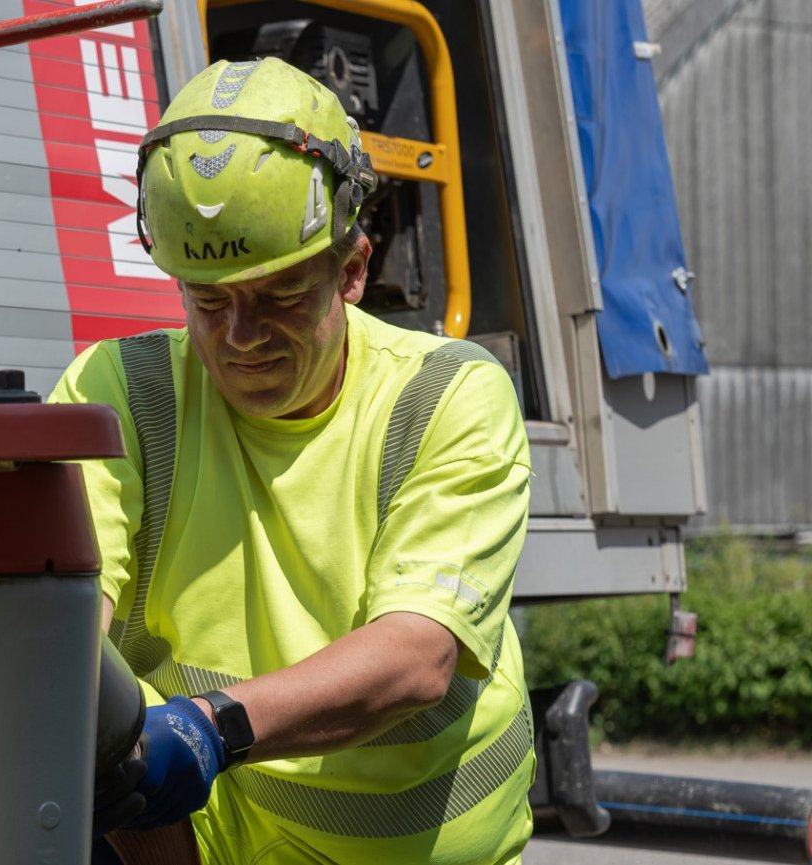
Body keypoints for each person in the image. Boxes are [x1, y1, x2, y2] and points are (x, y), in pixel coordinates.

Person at [50, 57, 534, 865]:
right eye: (208, 301)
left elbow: (416, 657)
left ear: (351, 271)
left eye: (276, 296)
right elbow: (57, 642)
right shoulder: (120, 394)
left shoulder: (445, 397)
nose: (240, 337)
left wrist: (210, 729)